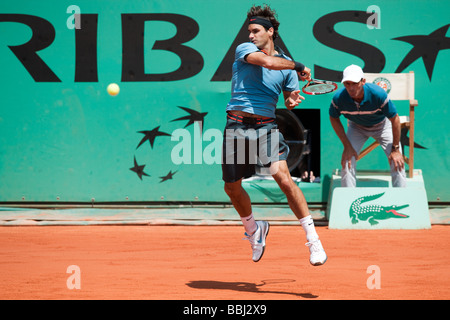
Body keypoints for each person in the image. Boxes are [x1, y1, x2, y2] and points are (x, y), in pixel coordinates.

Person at [221, 5, 327, 266]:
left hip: (266, 127)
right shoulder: (245, 51)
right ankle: (254, 230)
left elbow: (289, 97)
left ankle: (314, 240)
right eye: (249, 31)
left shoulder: (288, 69)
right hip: (236, 126)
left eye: (256, 31)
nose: (250, 35)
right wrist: (298, 64)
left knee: (282, 176)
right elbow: (268, 62)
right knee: (232, 188)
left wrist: (292, 99)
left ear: (269, 32)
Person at [329, 64, 406, 187]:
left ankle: (402, 199)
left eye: (354, 83)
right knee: (347, 161)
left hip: (382, 126)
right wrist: (346, 146)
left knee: (397, 161)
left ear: (363, 81)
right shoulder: (339, 98)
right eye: (347, 84)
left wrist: (396, 149)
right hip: (357, 128)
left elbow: (395, 119)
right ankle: (348, 199)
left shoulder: (378, 94)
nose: (351, 88)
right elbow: (333, 118)